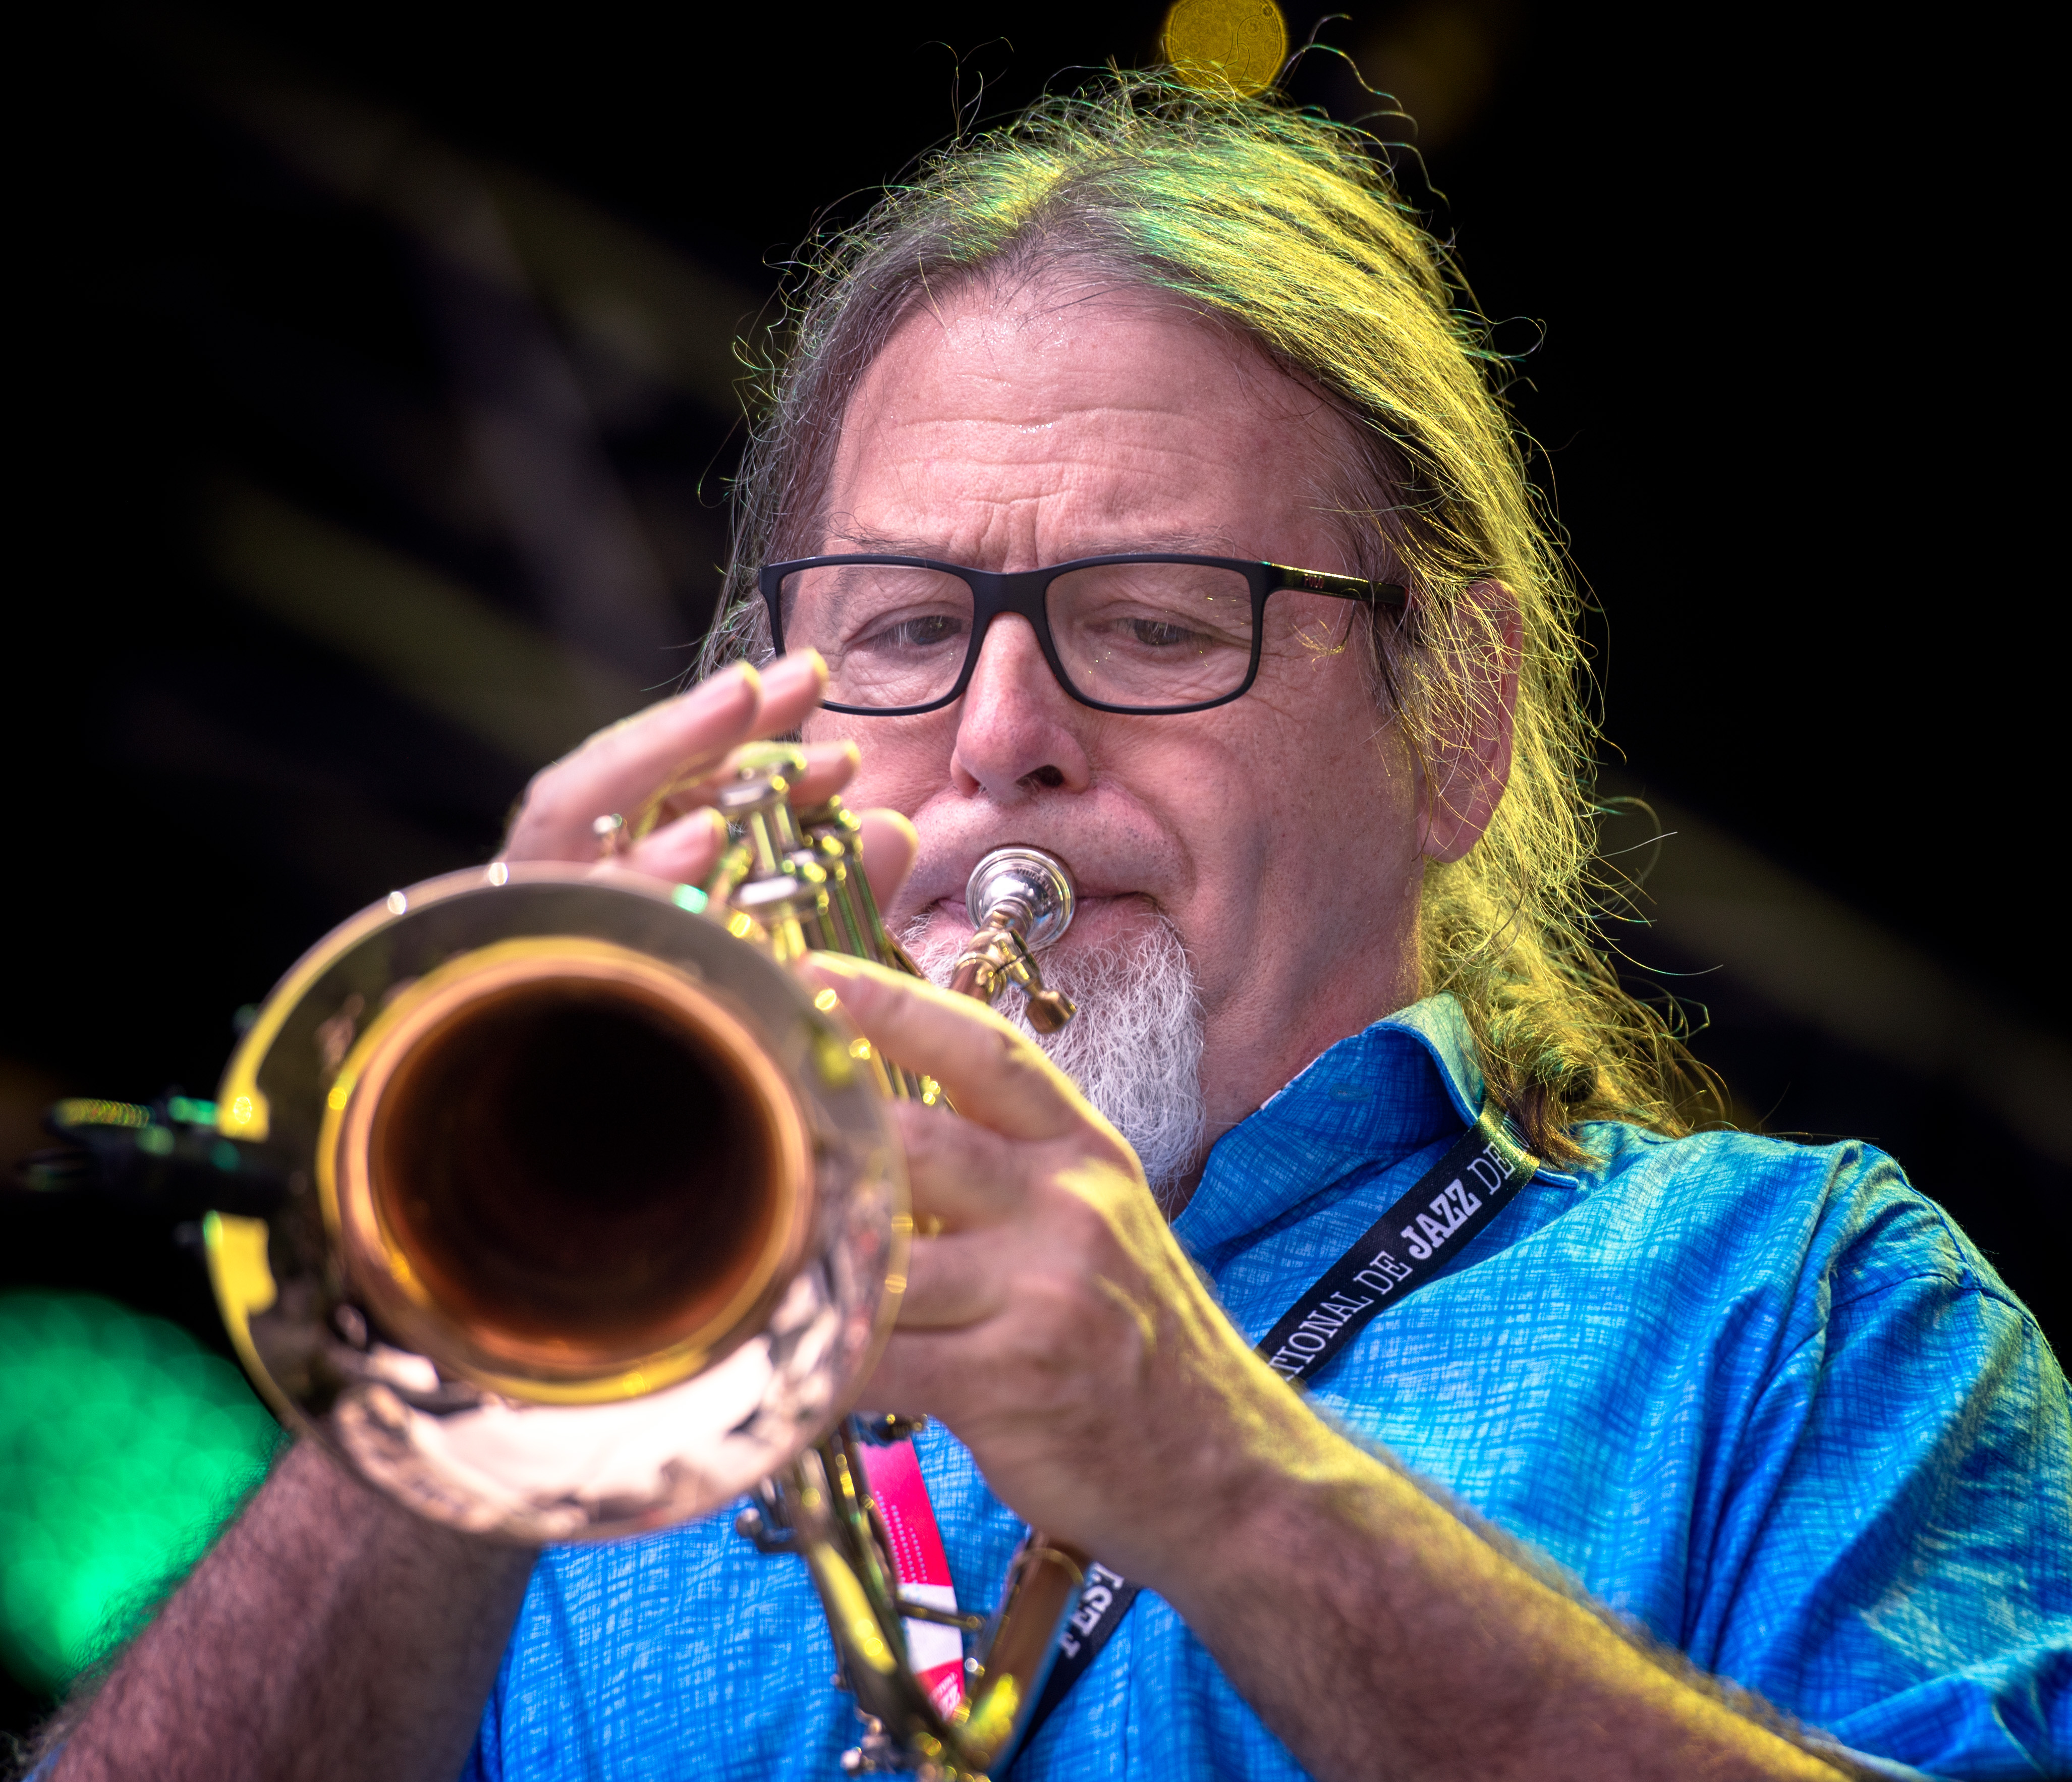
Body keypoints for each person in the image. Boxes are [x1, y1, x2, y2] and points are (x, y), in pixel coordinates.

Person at [40, 77, 2066, 1782]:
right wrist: (460, 1361)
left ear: (1449, 725)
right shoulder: (599, 1419)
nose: (1004, 738)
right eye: (907, 635)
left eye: (1156, 622)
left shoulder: (1790, 1300)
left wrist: (1222, 1480)